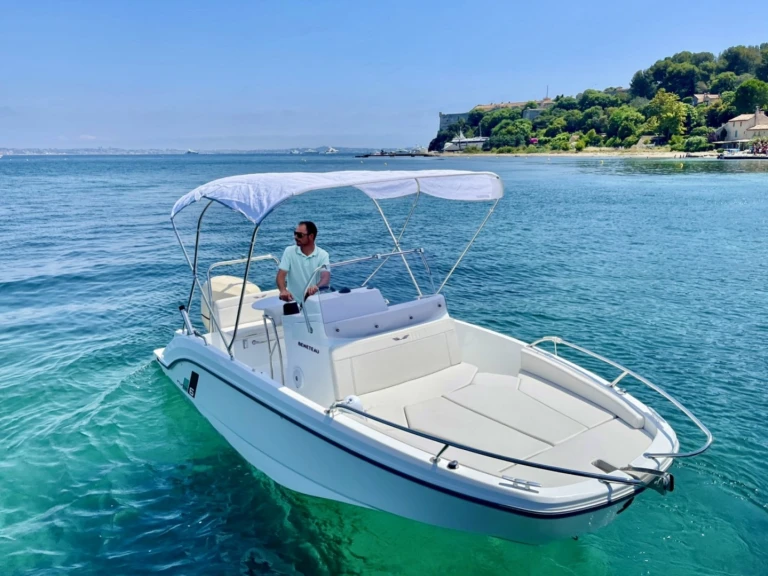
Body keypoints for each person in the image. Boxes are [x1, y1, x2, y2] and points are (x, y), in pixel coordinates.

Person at [276, 221, 330, 303]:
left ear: (311, 236)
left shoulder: (323, 255)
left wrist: (316, 287)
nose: (295, 237)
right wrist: (283, 290)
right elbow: (281, 275)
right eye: (295, 233)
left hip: (315, 302)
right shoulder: (289, 251)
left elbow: (325, 278)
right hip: (293, 301)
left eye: (299, 235)